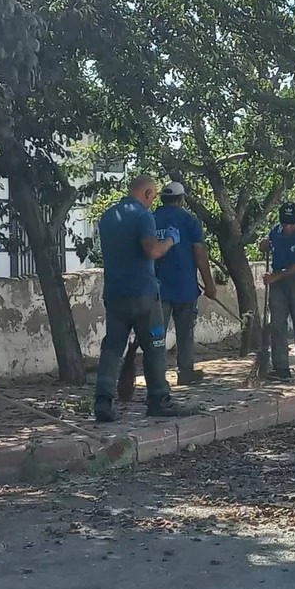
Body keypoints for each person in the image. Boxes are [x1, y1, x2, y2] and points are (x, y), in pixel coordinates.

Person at [94, 175, 194, 423]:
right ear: (148, 193)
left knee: (112, 348)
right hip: (143, 294)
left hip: (115, 293)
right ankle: (159, 399)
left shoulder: (108, 217)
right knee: (155, 347)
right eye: (153, 195)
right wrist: (170, 239)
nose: (152, 202)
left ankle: (103, 400)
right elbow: (152, 250)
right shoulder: (142, 216)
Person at [153, 181, 218, 385]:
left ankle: (156, 376)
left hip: (157, 289)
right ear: (181, 199)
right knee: (185, 333)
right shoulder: (189, 220)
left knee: (157, 336)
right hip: (185, 287)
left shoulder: (151, 219)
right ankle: (185, 372)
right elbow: (199, 253)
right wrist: (209, 284)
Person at [261, 201, 295, 382]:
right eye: (285, 223)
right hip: (278, 283)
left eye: (291, 223)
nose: (288, 227)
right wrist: (265, 246)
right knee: (276, 324)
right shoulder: (275, 232)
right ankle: (281, 367)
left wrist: (275, 277)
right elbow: (269, 247)